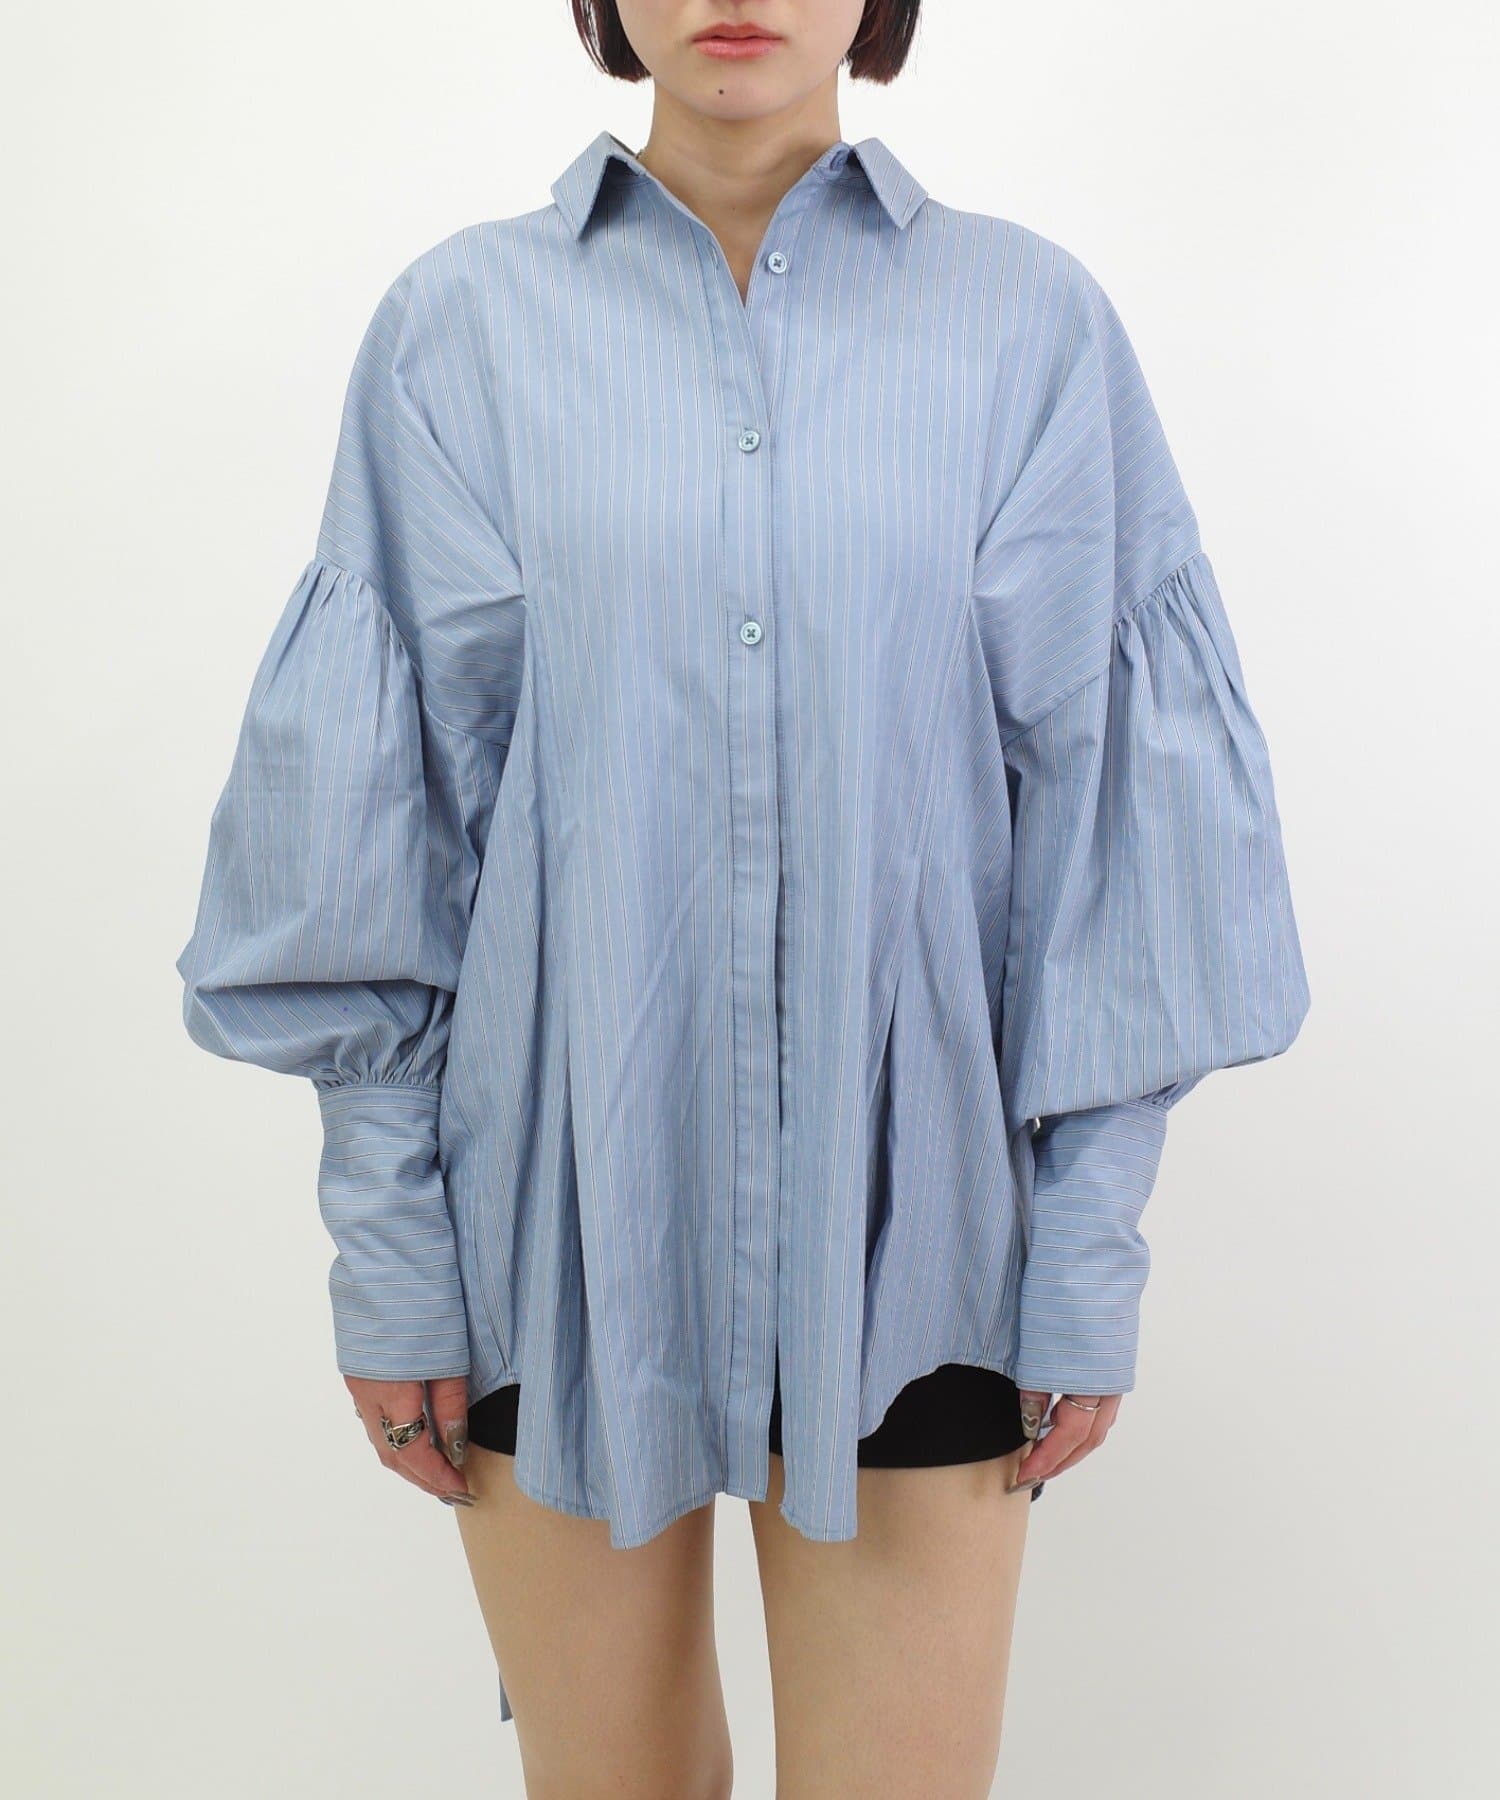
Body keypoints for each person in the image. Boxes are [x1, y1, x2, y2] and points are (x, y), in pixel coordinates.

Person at [174, 3, 1311, 1794]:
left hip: (922, 1247)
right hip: (555, 1232)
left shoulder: (1025, 326)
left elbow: (1119, 827)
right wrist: (392, 1260)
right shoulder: (462, 327)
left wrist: (1088, 1247)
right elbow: (374, 827)